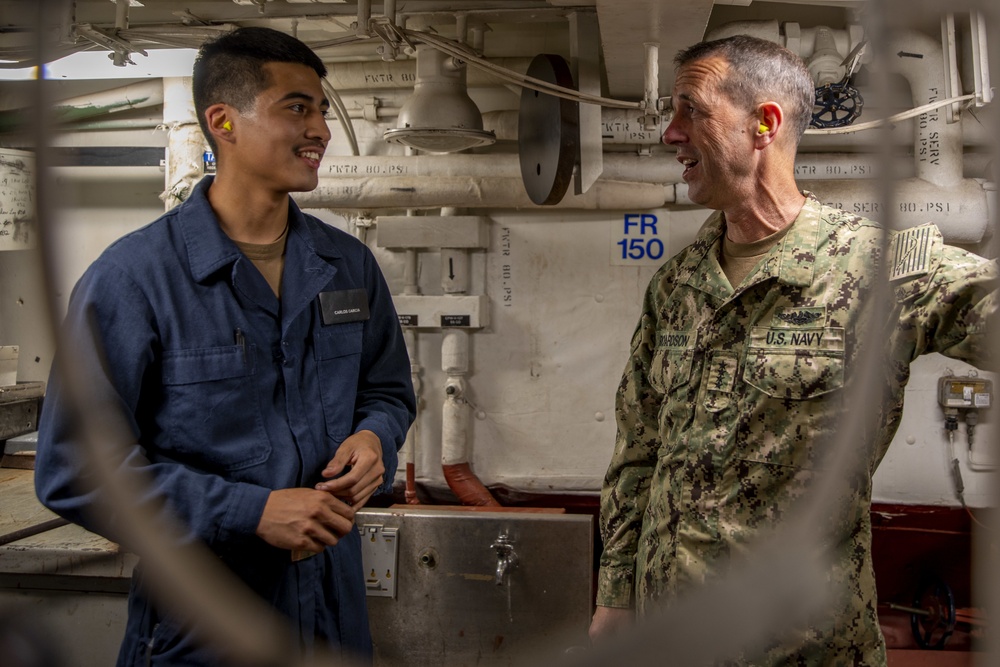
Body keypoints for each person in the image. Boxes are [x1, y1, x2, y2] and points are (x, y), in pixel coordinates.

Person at [589, 34, 996, 664]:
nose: (670, 134)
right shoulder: (677, 283)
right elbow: (638, 448)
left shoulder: (872, 267)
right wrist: (614, 599)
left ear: (764, 123)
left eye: (690, 110)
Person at [34, 27, 415, 665]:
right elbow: (75, 469)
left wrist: (375, 436)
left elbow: (387, 391)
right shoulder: (133, 280)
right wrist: (250, 511)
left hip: (332, 618)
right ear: (223, 122)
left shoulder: (346, 265)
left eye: (321, 109)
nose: (320, 128)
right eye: (297, 107)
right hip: (202, 630)